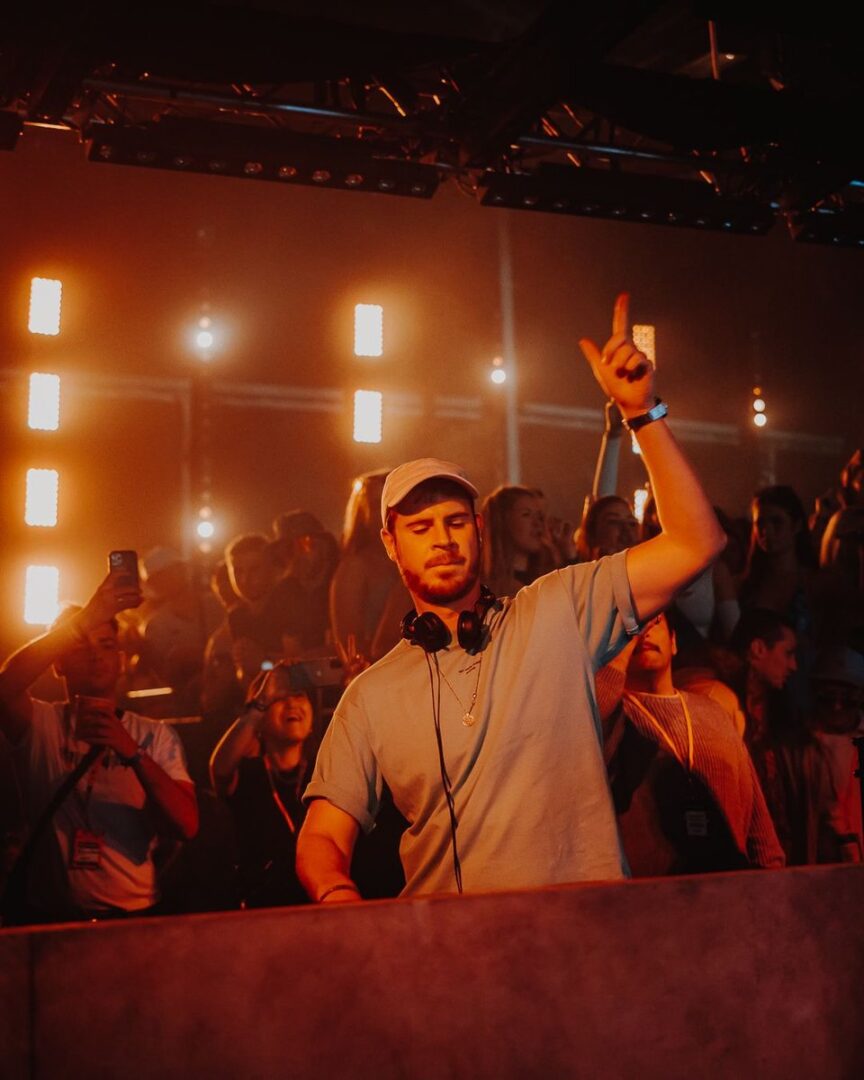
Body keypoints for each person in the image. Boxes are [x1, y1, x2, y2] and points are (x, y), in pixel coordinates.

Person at [296, 292, 726, 902]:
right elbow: (321, 835)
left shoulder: (558, 609)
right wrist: (336, 894)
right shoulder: (371, 695)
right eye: (420, 527)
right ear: (391, 544)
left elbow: (696, 541)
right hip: (453, 949)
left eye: (454, 521)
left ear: (478, 528)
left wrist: (642, 414)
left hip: (585, 932)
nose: (441, 539)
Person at [0, 572, 198, 923]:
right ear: (58, 663)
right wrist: (84, 619)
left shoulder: (154, 735)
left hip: (132, 917)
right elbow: (5, 687)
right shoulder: (41, 724)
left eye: (107, 645)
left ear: (120, 659)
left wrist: (131, 751)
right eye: (81, 644)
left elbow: (187, 825)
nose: (96, 655)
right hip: (52, 921)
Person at [598, 613, 784, 875]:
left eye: (655, 622)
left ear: (673, 642)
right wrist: (620, 651)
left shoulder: (713, 712)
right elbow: (594, 720)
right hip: (649, 890)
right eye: (633, 626)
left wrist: (771, 875)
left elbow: (756, 819)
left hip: (727, 886)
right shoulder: (611, 716)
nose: (644, 631)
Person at [730, 609, 844, 865]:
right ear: (758, 649)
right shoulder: (724, 707)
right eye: (788, 653)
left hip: (780, 852)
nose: (793, 665)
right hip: (740, 853)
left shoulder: (782, 717)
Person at [210, 663, 316, 907]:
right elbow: (220, 768)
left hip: (319, 901)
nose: (292, 703)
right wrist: (259, 703)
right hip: (264, 907)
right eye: (280, 698)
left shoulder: (325, 770)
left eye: (299, 695)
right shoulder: (247, 774)